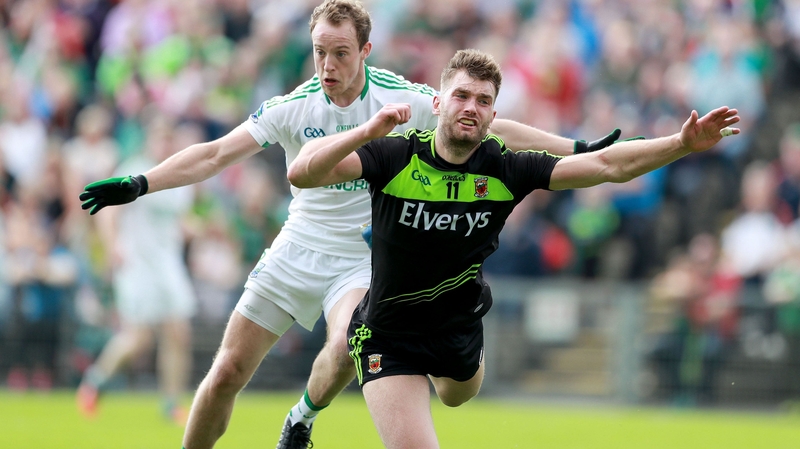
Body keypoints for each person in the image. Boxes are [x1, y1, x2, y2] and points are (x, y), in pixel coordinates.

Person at [77, 1, 621, 448]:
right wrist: (140, 183)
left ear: (364, 50)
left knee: (347, 342)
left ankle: (301, 419)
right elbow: (216, 154)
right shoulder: (293, 106)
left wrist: (571, 146)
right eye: (319, 52)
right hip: (296, 247)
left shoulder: (402, 98)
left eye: (340, 52)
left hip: (363, 257)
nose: (327, 65)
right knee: (225, 374)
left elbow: (488, 124)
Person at [286, 48, 740, 449]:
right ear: (438, 103)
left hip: (458, 329)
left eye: (484, 101)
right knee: (355, 356)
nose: (472, 107)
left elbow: (605, 165)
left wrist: (682, 144)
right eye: (462, 96)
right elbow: (303, 173)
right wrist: (367, 131)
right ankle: (300, 419)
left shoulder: (506, 169)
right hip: (390, 333)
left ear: (493, 116)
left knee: (456, 395)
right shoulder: (393, 155)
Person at [76, 116, 197, 424]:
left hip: (168, 264)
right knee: (138, 338)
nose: (165, 144)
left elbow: (177, 219)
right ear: (149, 140)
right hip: (137, 263)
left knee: (178, 333)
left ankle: (171, 403)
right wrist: (113, 246)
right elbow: (106, 212)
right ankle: (95, 381)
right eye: (160, 138)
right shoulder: (134, 170)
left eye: (169, 138)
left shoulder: (182, 173)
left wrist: (193, 229)